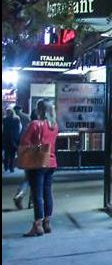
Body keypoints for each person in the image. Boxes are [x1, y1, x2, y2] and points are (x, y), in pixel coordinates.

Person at [19, 99, 59, 236]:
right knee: (47, 193)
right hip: (51, 162)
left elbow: (24, 141)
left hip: (38, 161)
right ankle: (47, 222)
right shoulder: (54, 125)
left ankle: (38, 225)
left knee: (37, 194)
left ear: (39, 110)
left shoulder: (35, 124)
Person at [12, 110, 36, 209]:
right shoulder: (41, 126)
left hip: (26, 153)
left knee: (27, 177)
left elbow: (22, 139)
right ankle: (33, 200)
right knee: (37, 179)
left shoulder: (27, 126)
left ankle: (20, 194)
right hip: (38, 154)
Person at [2, 107, 21, 172]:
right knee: (12, 154)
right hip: (14, 138)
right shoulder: (17, 119)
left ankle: (6, 167)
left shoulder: (4, 119)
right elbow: (19, 128)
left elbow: (3, 129)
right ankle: (11, 167)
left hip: (6, 138)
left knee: (7, 154)